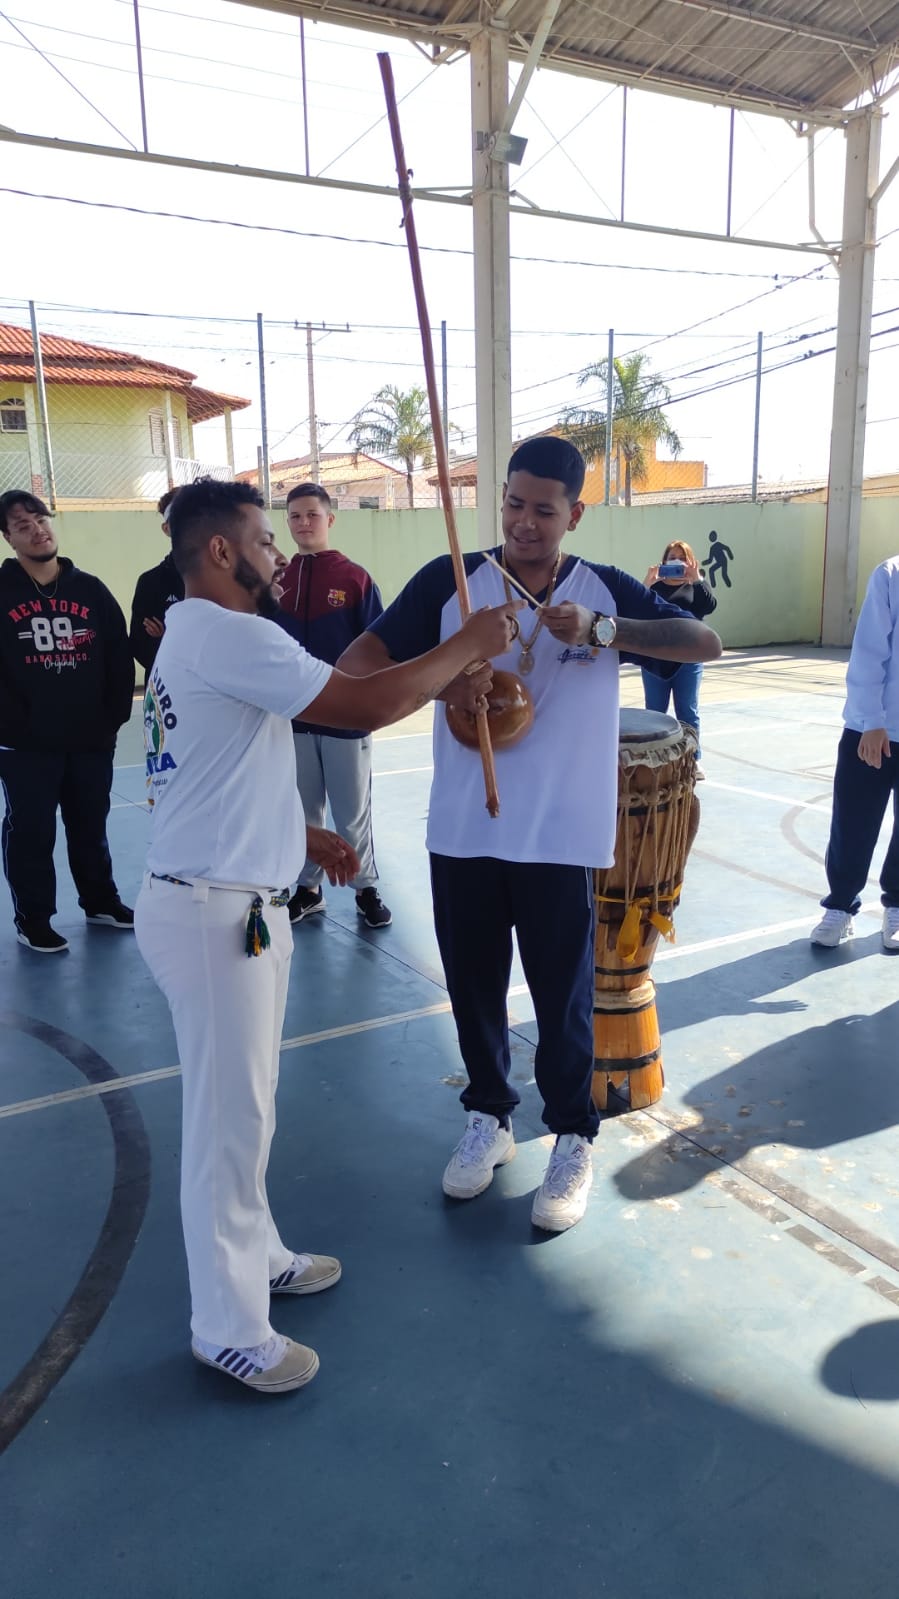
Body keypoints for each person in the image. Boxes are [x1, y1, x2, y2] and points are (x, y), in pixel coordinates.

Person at [133, 477, 521, 1394]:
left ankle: (258, 1254)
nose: (277, 553)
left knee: (249, 1110)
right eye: (263, 539)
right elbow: (360, 704)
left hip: (227, 897)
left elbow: (216, 765)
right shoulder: (230, 631)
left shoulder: (190, 633)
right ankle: (228, 1328)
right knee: (227, 1126)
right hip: (215, 912)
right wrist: (465, 643)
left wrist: (297, 835)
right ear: (219, 551)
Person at [338, 437, 721, 1234]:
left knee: (562, 996)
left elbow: (701, 643)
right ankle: (489, 1115)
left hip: (559, 833)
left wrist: (604, 630)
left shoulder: (599, 589)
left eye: (543, 510)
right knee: (472, 987)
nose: (523, 522)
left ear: (573, 513)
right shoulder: (451, 580)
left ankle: (573, 1133)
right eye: (513, 503)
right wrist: (446, 672)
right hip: (464, 826)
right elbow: (359, 659)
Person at [0, 490, 135, 953]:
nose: (37, 530)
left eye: (41, 519)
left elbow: (118, 655)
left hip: (90, 738)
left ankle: (100, 902)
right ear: (8, 538)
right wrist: (13, 725)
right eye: (23, 526)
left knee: (90, 826)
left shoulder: (90, 589)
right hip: (25, 744)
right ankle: (34, 918)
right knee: (32, 832)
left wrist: (112, 718)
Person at [276, 483, 391, 929]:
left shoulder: (354, 579)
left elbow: (379, 645)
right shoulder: (277, 579)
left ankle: (365, 888)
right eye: (295, 516)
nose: (303, 523)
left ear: (330, 519)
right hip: (293, 718)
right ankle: (308, 889)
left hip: (345, 720)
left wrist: (365, 702)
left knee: (352, 811)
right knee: (303, 810)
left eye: (312, 514)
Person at [811, 554, 899, 952]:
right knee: (853, 822)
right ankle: (841, 906)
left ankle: (896, 905)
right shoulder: (891, 575)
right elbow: (869, 650)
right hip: (875, 729)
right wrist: (871, 720)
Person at [641, 539, 716, 778]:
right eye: (672, 557)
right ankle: (655, 762)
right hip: (655, 659)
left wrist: (697, 579)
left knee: (687, 711)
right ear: (663, 561)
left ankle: (693, 761)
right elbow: (636, 611)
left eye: (682, 558)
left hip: (689, 659)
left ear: (690, 561)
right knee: (655, 712)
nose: (677, 562)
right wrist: (647, 583)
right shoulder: (654, 588)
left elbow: (709, 606)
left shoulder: (696, 586)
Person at [129, 487, 185, 675]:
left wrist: (167, 638)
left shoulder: (223, 578)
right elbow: (141, 647)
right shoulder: (151, 582)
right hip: (165, 684)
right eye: (180, 518)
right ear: (166, 529)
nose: (190, 525)